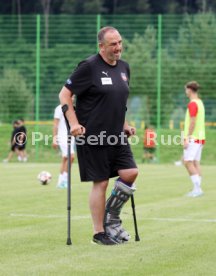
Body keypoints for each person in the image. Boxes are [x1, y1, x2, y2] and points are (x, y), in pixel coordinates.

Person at [59, 26, 138, 245]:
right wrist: (73, 124)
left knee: (130, 172)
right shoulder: (89, 67)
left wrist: (125, 124)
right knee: (101, 182)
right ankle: (98, 232)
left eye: (120, 42)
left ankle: (111, 218)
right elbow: (65, 94)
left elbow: (117, 102)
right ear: (101, 46)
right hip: (92, 135)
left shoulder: (124, 68)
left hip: (116, 135)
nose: (118, 47)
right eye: (113, 44)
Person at [183, 81, 205, 197]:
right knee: (195, 162)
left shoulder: (192, 104)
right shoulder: (200, 102)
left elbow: (193, 121)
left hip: (193, 137)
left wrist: (187, 137)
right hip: (201, 137)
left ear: (190, 90)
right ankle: (197, 189)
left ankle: (197, 189)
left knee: (187, 162)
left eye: (186, 89)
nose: (185, 92)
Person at [53, 104, 75, 188]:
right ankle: (65, 180)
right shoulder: (59, 108)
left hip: (70, 136)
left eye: (73, 96)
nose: (72, 98)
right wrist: (55, 139)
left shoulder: (73, 108)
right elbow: (55, 124)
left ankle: (60, 182)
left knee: (65, 158)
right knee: (71, 157)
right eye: (71, 96)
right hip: (62, 136)